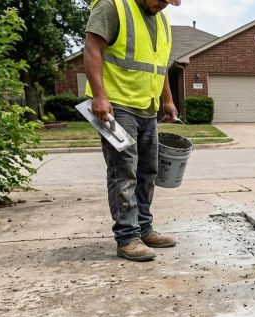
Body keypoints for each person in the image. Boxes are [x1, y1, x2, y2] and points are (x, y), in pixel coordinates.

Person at [84, 0, 181, 261]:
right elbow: (92, 47)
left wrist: (168, 100)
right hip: (117, 107)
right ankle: (127, 237)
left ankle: (144, 228)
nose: (163, 5)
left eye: (169, 2)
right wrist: (99, 96)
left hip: (146, 106)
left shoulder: (161, 20)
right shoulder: (113, 6)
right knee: (124, 170)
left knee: (148, 171)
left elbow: (159, 67)